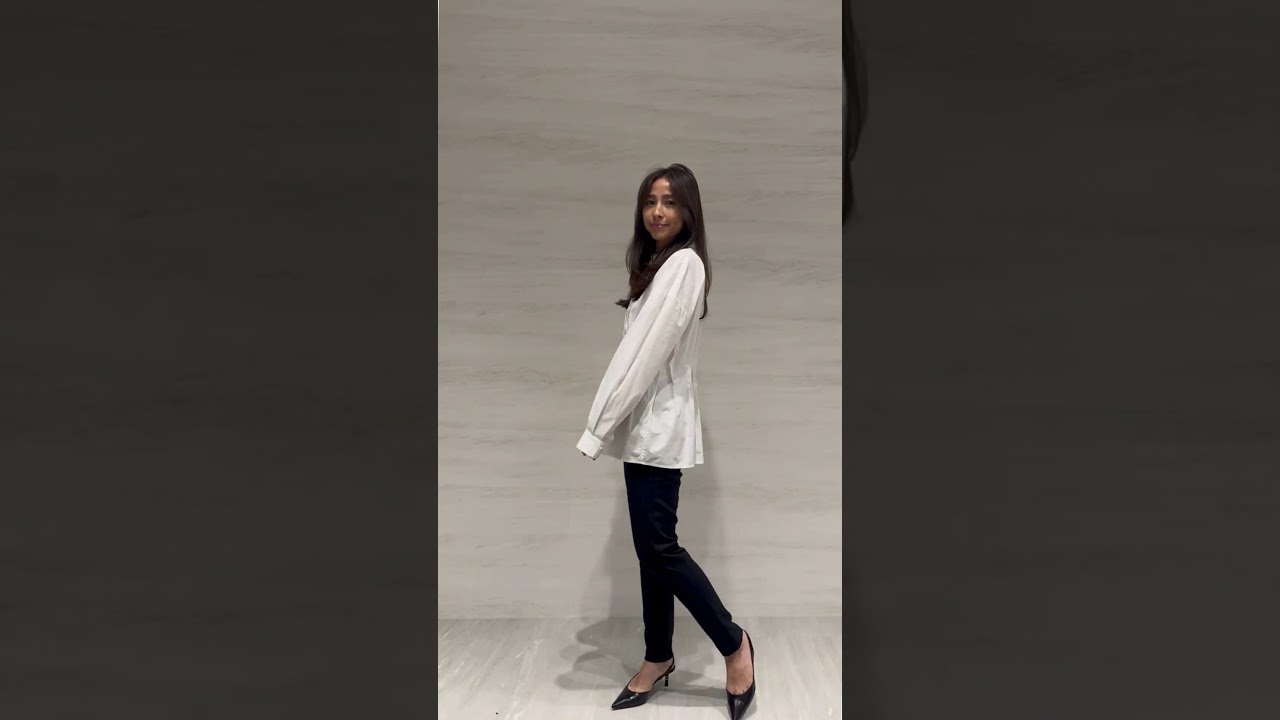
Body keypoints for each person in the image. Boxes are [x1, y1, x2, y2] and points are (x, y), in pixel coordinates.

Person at [576, 164, 756, 719]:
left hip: (658, 427)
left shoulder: (683, 265)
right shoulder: (660, 266)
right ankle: (658, 656)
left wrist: (598, 425)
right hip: (645, 429)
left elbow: (643, 356)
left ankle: (733, 643)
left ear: (689, 212)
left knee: (658, 548)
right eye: (651, 201)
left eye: (671, 202)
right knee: (649, 550)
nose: (658, 211)